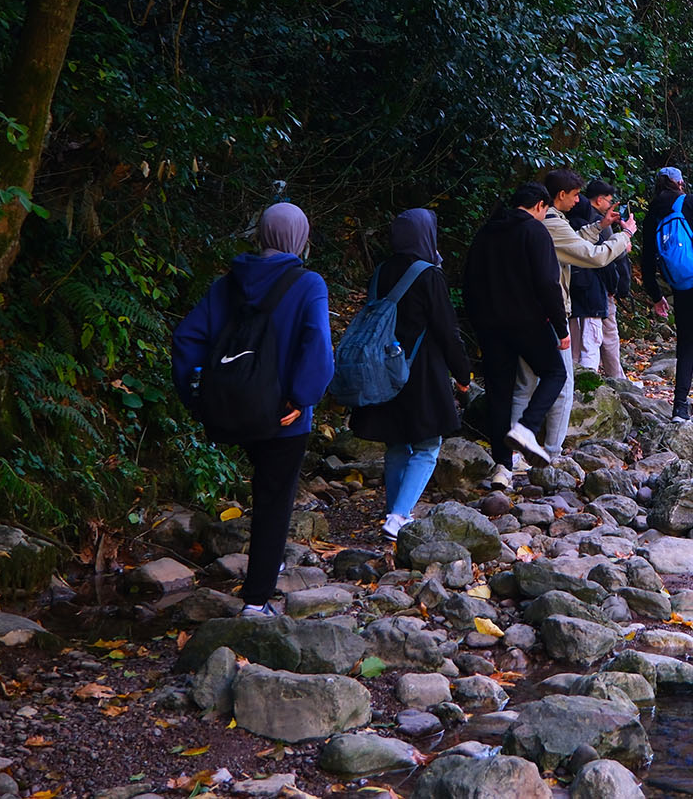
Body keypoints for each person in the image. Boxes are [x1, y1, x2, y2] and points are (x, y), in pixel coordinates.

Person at [172, 202, 334, 617]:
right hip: (284, 414)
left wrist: (198, 396)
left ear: (262, 233)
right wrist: (302, 397)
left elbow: (187, 338)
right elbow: (317, 347)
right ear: (299, 237)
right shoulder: (308, 283)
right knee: (273, 498)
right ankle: (257, 599)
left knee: (264, 490)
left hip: (231, 408)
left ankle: (267, 558)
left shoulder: (228, 282)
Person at [349, 209, 471, 540]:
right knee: (429, 444)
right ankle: (398, 517)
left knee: (397, 443)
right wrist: (463, 374)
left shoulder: (381, 271)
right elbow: (448, 330)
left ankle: (395, 510)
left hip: (383, 370)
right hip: (421, 372)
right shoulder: (429, 274)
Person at [511, 168, 634, 460]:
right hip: (549, 316)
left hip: (520, 311)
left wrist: (600, 226)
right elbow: (592, 256)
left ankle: (511, 457)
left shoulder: (538, 222)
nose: (579, 199)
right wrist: (623, 236)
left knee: (524, 384)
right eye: (576, 194)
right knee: (563, 385)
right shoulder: (550, 223)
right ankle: (551, 453)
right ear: (560, 195)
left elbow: (574, 241)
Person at [464, 184, 570, 486]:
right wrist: (561, 329)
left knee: (499, 393)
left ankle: (502, 467)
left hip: (489, 324)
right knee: (554, 373)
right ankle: (526, 427)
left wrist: (477, 321)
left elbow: (469, 280)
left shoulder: (487, 231)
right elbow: (549, 284)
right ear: (540, 205)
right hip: (527, 321)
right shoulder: (534, 233)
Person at [638, 167, 693, 420]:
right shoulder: (690, 201)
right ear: (679, 183)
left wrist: (656, 295)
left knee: (686, 342)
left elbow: (647, 259)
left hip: (680, 284)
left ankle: (679, 405)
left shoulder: (653, 212)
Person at [567, 180, 629, 377]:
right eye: (609, 201)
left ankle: (575, 386)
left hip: (573, 290)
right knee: (598, 339)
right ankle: (612, 380)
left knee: (575, 345)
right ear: (600, 200)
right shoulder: (598, 223)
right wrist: (625, 238)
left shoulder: (567, 222)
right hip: (594, 289)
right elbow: (605, 257)